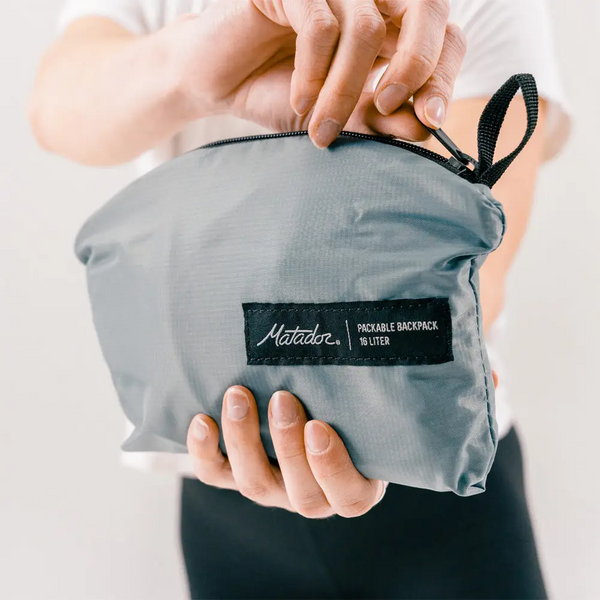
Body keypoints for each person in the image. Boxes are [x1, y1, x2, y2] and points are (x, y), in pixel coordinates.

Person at [30, 1, 570, 598]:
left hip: (434, 485)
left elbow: (474, 283)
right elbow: (53, 108)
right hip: (219, 472)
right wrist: (192, 69)